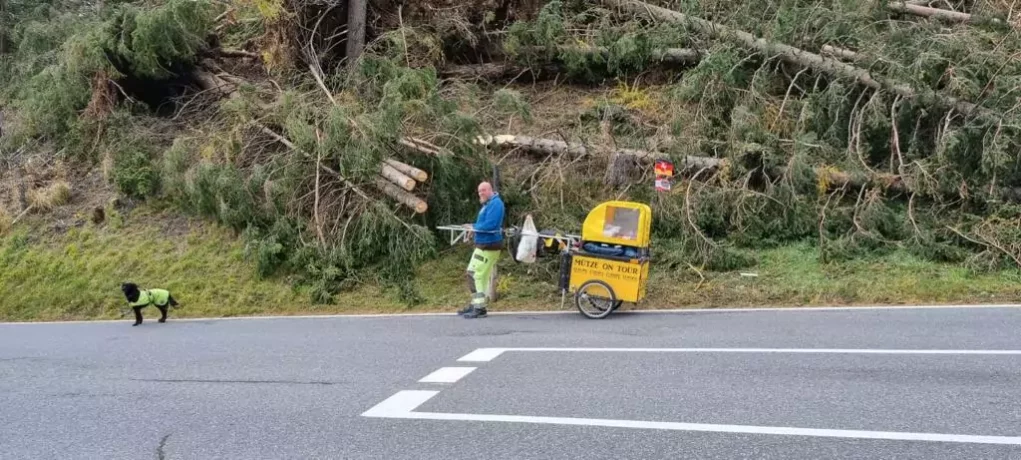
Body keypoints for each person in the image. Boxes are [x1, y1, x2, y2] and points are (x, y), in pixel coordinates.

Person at [459, 181, 505, 319]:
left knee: (474, 274)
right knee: (479, 275)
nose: (481, 193)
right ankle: (476, 304)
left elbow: (491, 224)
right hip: (484, 245)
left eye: (483, 190)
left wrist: (474, 228)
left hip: (488, 246)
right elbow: (483, 224)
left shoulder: (495, 204)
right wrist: (472, 226)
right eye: (479, 191)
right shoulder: (488, 204)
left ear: (490, 190)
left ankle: (479, 308)